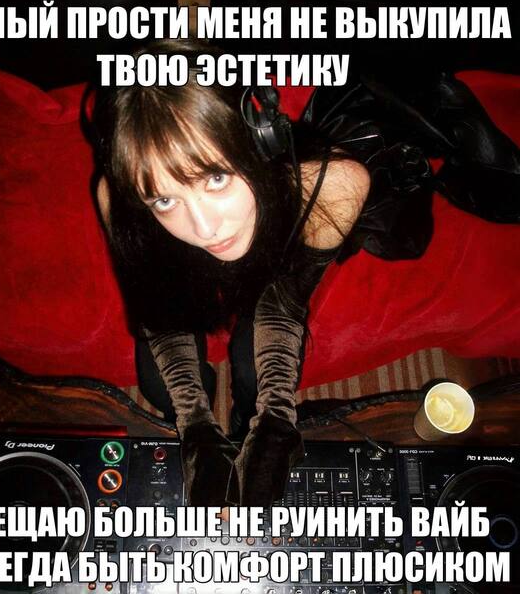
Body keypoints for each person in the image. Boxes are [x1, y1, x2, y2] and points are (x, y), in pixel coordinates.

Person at [90, 39, 520, 507]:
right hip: (186, 284)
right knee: (157, 384)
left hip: (277, 261)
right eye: (165, 200)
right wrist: (194, 427)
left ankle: (246, 423)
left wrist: (275, 421)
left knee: (252, 371)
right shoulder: (119, 198)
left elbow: (284, 305)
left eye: (216, 178)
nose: (204, 228)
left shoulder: (332, 184)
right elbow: (160, 309)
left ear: (259, 139)